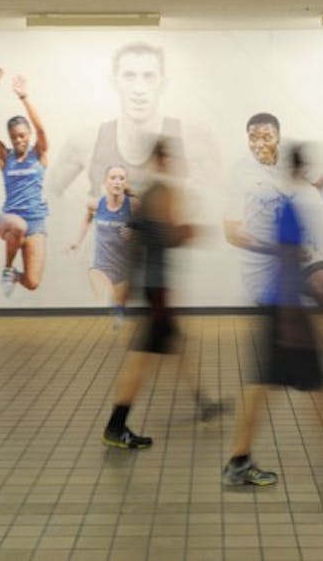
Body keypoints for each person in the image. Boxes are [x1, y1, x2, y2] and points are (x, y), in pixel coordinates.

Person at [223, 145, 323, 486]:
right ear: (302, 170)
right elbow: (293, 260)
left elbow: (291, 256)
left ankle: (239, 461)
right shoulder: (292, 206)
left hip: (281, 307)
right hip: (289, 312)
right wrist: (313, 310)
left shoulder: (288, 203)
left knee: (272, 385)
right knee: (318, 386)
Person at [101, 139, 225, 450]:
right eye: (168, 156)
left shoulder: (149, 193)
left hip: (156, 288)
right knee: (142, 360)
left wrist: (129, 283)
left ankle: (204, 403)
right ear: (159, 159)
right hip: (157, 289)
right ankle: (116, 425)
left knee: (178, 346)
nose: (173, 161)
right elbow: (164, 237)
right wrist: (188, 230)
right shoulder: (159, 195)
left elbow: (135, 240)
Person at [223, 113, 323, 308]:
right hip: (263, 258)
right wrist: (277, 251)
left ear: (278, 137)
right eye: (253, 138)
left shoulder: (292, 159)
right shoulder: (239, 174)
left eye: (266, 137)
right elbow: (232, 235)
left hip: (298, 249)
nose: (259, 144)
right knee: (280, 312)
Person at [47, 42, 188, 201]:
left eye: (149, 76)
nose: (139, 89)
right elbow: (47, 192)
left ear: (163, 83)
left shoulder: (189, 139)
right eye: (129, 76)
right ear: (115, 82)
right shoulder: (85, 140)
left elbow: (211, 203)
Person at [0, 68, 50, 296]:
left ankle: (17, 277)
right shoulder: (4, 157)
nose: (19, 140)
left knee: (32, 283)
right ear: (10, 137)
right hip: (9, 218)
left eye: (22, 135)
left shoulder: (39, 154)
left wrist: (24, 97)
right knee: (18, 226)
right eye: (14, 136)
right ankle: (8, 269)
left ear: (28, 136)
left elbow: (41, 129)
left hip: (36, 220)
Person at [68, 165, 136, 325]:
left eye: (121, 178)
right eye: (113, 178)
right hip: (102, 261)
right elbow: (87, 220)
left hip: (123, 261)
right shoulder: (96, 204)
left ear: (125, 183)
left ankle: (118, 307)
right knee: (104, 286)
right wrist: (77, 242)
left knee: (120, 299)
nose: (117, 182)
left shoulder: (133, 205)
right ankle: (116, 305)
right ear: (105, 182)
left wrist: (134, 230)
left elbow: (145, 224)